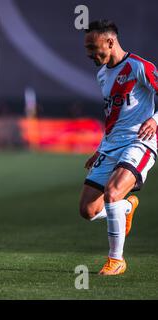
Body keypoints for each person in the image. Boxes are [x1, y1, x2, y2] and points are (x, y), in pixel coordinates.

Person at [80, 20, 158, 275]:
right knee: (88, 211)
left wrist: (154, 120)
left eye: (93, 47)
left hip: (140, 141)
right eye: (88, 49)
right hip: (111, 145)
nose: (90, 54)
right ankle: (126, 208)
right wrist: (100, 149)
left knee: (113, 192)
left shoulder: (138, 67)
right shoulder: (102, 74)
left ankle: (116, 260)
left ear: (110, 42)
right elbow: (113, 117)